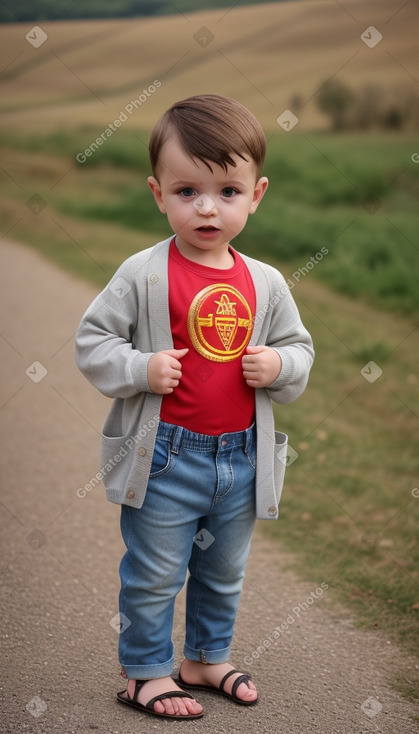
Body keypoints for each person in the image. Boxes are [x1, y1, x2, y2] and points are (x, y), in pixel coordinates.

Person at [75, 94, 314, 720]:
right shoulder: (144, 273)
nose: (208, 207)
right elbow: (93, 340)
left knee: (222, 570)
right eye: (187, 191)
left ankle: (205, 658)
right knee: (155, 573)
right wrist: (138, 368)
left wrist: (280, 365)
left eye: (227, 191)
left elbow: (300, 349)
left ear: (257, 193)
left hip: (240, 456)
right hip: (166, 455)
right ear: (158, 193)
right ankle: (146, 671)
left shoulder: (264, 281)